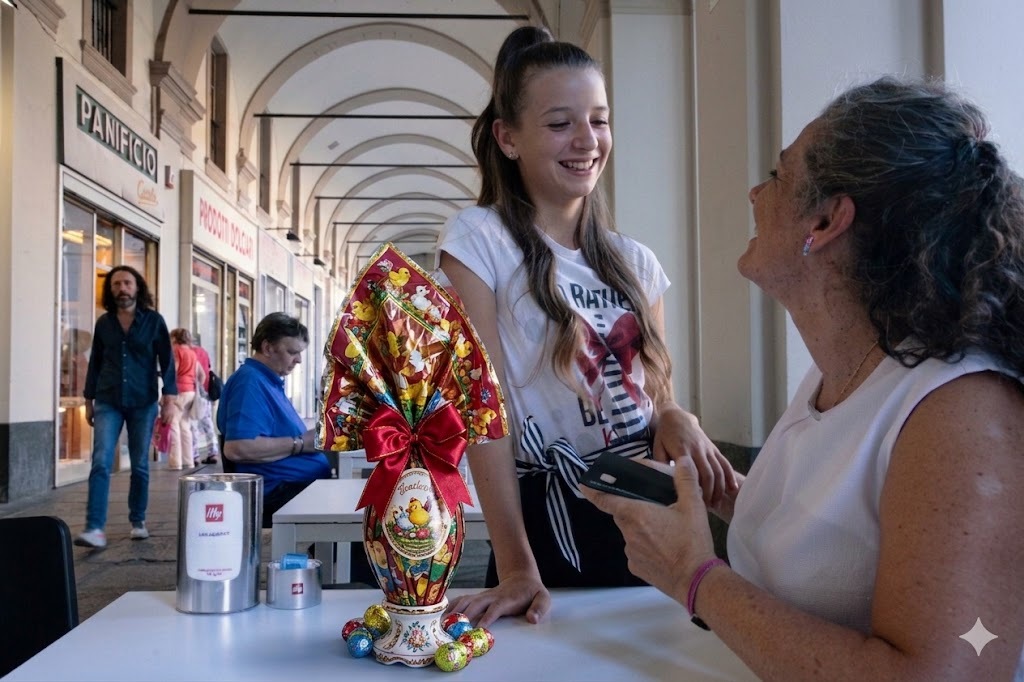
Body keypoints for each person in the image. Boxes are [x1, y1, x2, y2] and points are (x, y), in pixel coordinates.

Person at [583, 77, 1024, 681]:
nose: (755, 192)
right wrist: (732, 499)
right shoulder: (840, 368)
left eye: (777, 175)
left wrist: (693, 577)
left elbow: (949, 674)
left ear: (825, 221)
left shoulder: (964, 411)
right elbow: (848, 555)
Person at [440, 26, 735, 627]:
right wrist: (518, 566)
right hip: (546, 524)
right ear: (508, 137)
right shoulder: (479, 242)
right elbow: (483, 408)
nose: (586, 140)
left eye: (598, 120)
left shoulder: (636, 261)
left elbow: (654, 396)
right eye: (559, 123)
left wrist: (678, 415)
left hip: (650, 516)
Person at [76, 265, 177, 549]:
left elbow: (167, 362)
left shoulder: (154, 321)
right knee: (100, 461)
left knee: (140, 464)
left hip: (143, 401)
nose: (122, 288)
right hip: (108, 399)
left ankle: (138, 520)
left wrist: (169, 399)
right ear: (111, 289)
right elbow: (96, 361)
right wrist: (88, 399)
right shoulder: (104, 323)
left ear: (137, 288)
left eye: (127, 283)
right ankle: (95, 527)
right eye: (117, 284)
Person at [216, 312, 331, 528]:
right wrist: (299, 444)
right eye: (292, 352)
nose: (299, 360)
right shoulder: (250, 383)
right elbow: (237, 448)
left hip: (295, 486)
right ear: (268, 348)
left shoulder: (266, 380)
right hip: (279, 492)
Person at [168, 328, 201, 470]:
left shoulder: (177, 351)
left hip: (179, 390)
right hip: (191, 391)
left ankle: (176, 462)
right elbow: (201, 374)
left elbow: (173, 370)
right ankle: (189, 460)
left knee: (173, 424)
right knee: (185, 425)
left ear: (175, 338)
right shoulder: (192, 353)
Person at [189, 338, 220, 465]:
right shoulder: (203, 352)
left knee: (193, 424)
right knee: (208, 423)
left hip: (193, 390)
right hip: (205, 391)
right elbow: (207, 368)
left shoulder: (189, 352)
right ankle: (213, 452)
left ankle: (194, 455)